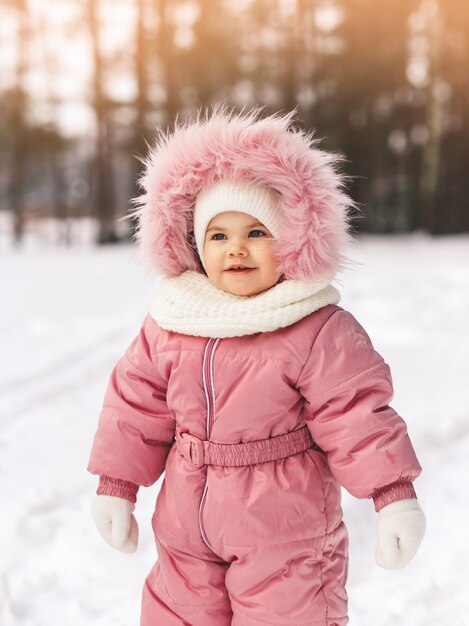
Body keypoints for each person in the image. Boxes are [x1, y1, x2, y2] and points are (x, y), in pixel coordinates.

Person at [87, 104, 426, 626]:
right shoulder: (173, 321)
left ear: (289, 240)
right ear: (196, 248)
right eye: (218, 236)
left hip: (284, 532)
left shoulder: (315, 326)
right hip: (185, 530)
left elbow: (357, 416)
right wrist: (117, 485)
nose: (236, 249)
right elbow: (134, 407)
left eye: (257, 232)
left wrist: (392, 495)